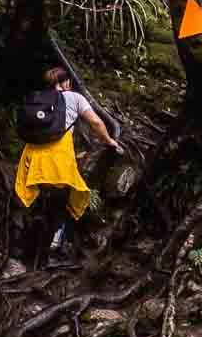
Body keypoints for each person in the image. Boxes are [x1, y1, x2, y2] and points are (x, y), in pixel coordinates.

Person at [14, 66, 123, 268]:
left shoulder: (37, 98)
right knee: (61, 207)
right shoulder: (74, 98)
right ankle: (55, 254)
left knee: (32, 203)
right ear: (66, 82)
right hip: (58, 164)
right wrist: (109, 141)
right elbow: (96, 122)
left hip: (32, 161)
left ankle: (22, 250)